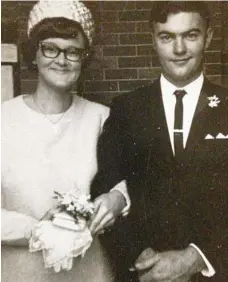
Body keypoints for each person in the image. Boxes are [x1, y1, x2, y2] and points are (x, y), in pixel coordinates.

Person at [91, 2, 228, 282]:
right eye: (167, 37)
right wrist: (140, 257)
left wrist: (196, 258)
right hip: (145, 274)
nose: (179, 49)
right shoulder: (126, 109)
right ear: (154, 40)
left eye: (190, 35)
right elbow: (105, 187)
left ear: (209, 37)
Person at [1, 1, 130, 281]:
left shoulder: (102, 118)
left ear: (84, 58)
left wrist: (118, 199)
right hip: (20, 273)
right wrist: (36, 230)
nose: (61, 60)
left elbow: (127, 180)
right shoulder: (3, 120)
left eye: (73, 51)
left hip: (89, 272)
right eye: (50, 48)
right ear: (33, 54)